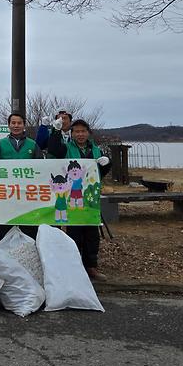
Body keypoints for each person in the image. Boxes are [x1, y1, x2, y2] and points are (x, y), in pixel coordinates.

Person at [62, 119, 111, 282]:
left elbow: (100, 174)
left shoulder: (96, 150)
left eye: (83, 131)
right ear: (72, 133)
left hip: (91, 198)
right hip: (72, 197)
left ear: (88, 133)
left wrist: (106, 165)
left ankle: (91, 266)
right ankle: (75, 266)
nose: (80, 134)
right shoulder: (67, 148)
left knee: (92, 234)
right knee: (74, 233)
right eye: (76, 131)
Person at [0, 111, 44, 241]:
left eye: (19, 123)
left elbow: (41, 167)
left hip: (27, 194)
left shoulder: (32, 144)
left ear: (24, 125)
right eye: (13, 123)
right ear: (9, 125)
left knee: (28, 228)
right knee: (5, 227)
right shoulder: (0, 143)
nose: (16, 125)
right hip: (6, 193)